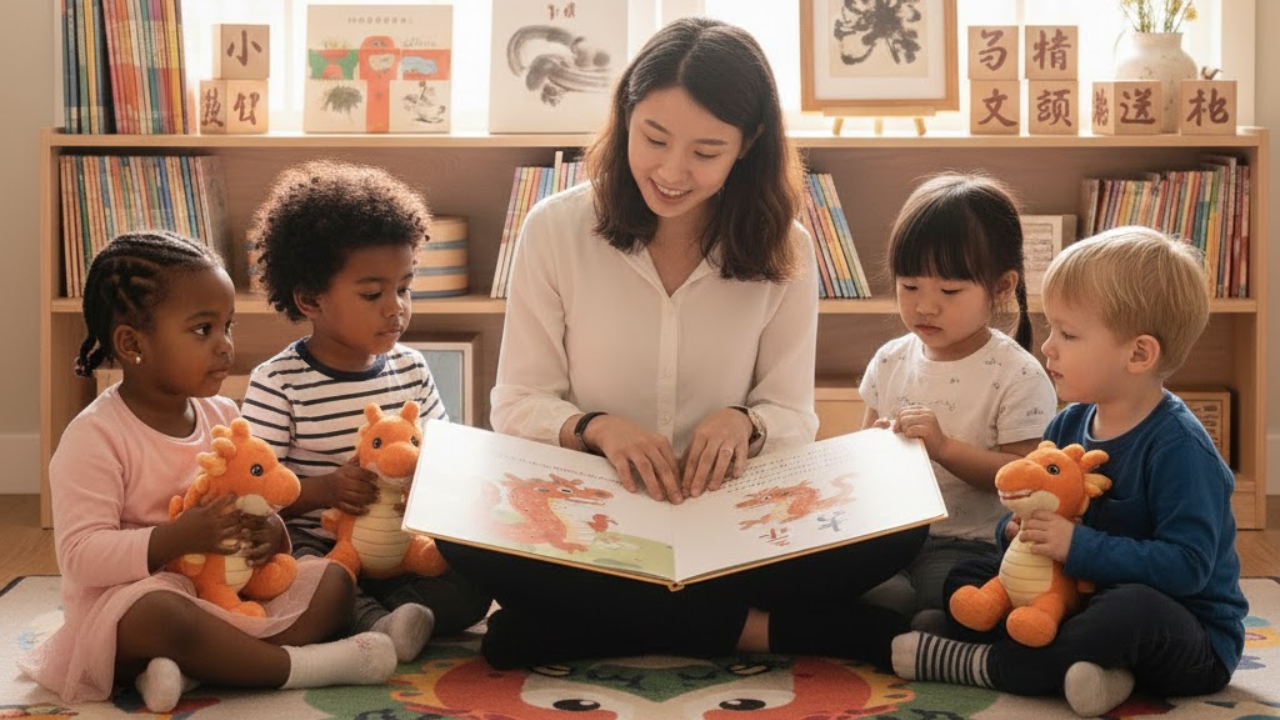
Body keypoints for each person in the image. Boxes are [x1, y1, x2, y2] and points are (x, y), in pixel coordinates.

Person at [437, 16, 925, 670]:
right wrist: (597, 428)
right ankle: (756, 631)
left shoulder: (788, 250)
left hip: (732, 524)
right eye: (654, 138)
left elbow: (791, 416)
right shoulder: (555, 229)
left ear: (747, 145)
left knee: (904, 522)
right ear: (626, 116)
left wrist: (743, 423)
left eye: (705, 152)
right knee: (455, 520)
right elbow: (519, 403)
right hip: (590, 521)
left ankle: (589, 625)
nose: (671, 171)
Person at [18, 231, 397, 713]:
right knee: (161, 612)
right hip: (134, 606)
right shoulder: (95, 436)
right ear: (132, 344)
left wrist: (269, 535)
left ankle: (197, 668)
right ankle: (303, 667)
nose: (225, 346)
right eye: (203, 330)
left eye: (228, 326)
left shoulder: (221, 415)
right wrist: (175, 538)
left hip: (226, 596)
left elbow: (255, 498)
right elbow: (81, 556)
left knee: (333, 582)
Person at [891, 227, 1248, 717]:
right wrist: (1015, 532)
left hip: (1186, 631)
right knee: (970, 572)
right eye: (1051, 329)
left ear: (1139, 354)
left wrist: (1076, 546)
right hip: (1076, 602)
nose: (1048, 348)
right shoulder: (1069, 422)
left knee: (1131, 611)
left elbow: (1187, 567)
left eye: (1069, 334)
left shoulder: (1180, 450)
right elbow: (1039, 507)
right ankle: (1099, 676)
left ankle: (992, 665)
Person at [240, 161, 492, 663]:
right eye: (373, 294)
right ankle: (377, 621)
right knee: (315, 580)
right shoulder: (279, 381)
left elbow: (440, 457)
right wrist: (325, 490)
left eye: (405, 287)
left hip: (400, 548)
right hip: (322, 547)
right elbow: (253, 495)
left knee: (474, 586)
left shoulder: (412, 368)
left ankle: (393, 613)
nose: (395, 307)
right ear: (310, 298)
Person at [859, 174, 1058, 626]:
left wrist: (944, 449)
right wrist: (871, 450)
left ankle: (926, 623)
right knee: (849, 584)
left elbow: (1023, 481)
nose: (925, 306)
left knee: (948, 596)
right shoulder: (890, 360)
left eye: (949, 292)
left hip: (967, 541)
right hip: (891, 535)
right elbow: (862, 454)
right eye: (910, 286)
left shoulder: (1018, 374)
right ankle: (895, 613)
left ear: (1003, 287)